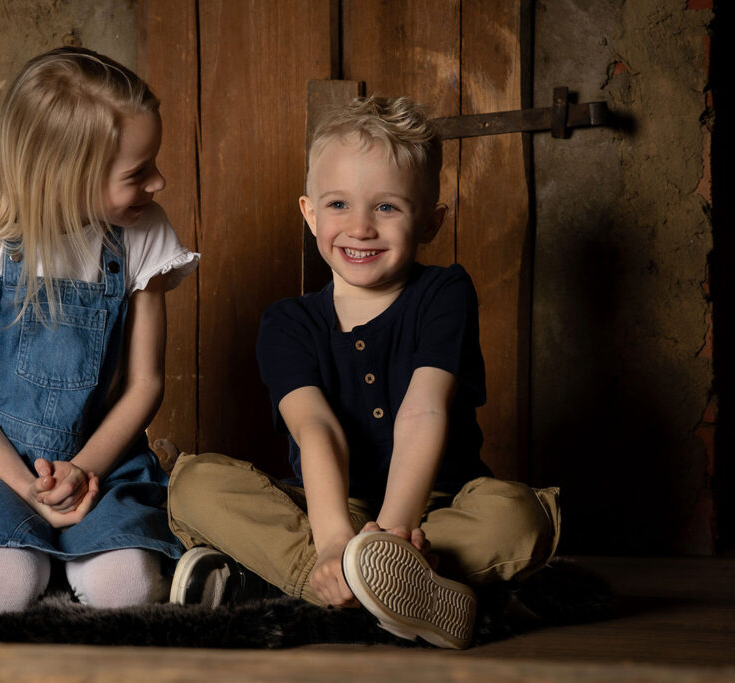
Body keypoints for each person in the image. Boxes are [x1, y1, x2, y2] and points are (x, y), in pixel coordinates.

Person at [166, 96, 559, 649]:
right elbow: (316, 429)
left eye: (387, 208)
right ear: (309, 213)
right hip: (329, 508)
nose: (360, 228)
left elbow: (424, 409)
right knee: (192, 483)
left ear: (430, 221)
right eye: (338, 205)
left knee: (517, 516)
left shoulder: (444, 293)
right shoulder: (289, 322)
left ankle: (303, 585)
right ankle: (374, 588)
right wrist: (331, 541)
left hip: (435, 509)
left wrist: (396, 535)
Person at [0, 46, 199, 612]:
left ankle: (66, 561)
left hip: (100, 460)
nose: (158, 182)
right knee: (3, 587)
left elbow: (145, 385)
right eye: (138, 173)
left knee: (128, 590)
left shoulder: (142, 234)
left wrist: (84, 471)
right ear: (68, 176)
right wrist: (24, 486)